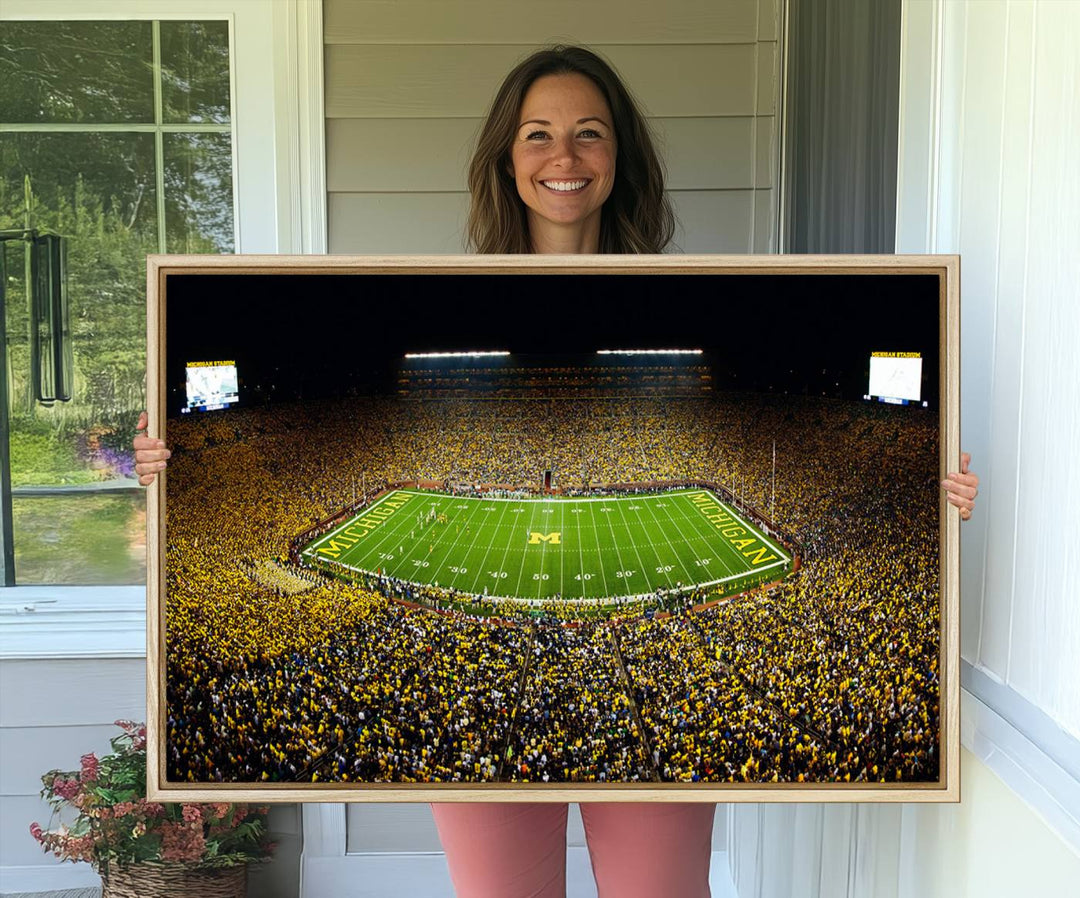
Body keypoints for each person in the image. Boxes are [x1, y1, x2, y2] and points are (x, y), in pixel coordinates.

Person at [134, 44, 980, 898]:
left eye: (589, 134)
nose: (563, 157)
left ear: (620, 158)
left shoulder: (688, 291)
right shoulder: (440, 289)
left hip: (644, 731)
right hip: (485, 733)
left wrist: (931, 490)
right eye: (538, 134)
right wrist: (171, 470)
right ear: (507, 157)